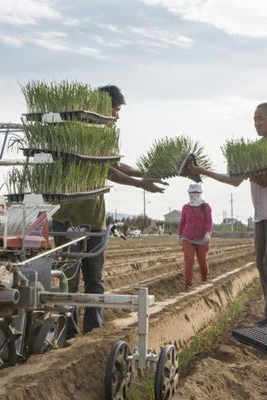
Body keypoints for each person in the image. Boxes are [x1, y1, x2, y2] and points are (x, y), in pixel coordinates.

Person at [53, 85, 167, 338]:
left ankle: (93, 332)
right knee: (69, 280)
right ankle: (67, 335)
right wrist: (141, 184)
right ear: (103, 106)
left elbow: (116, 165)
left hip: (95, 220)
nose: (117, 115)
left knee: (95, 280)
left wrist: (149, 173)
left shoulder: (104, 138)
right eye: (115, 109)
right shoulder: (79, 134)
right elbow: (108, 171)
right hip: (70, 219)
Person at [187, 102, 267, 327]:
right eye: (254, 119)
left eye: (261, 118)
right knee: (260, 262)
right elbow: (234, 180)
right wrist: (201, 171)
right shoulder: (252, 150)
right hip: (260, 213)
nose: (256, 123)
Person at [178, 183, 212, 290]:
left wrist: (208, 233)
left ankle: (205, 281)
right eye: (191, 193)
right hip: (187, 238)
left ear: (200, 193)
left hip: (202, 239)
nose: (193, 195)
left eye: (196, 193)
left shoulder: (206, 207)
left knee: (203, 262)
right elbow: (182, 222)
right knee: (189, 261)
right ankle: (188, 284)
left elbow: (209, 221)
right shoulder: (186, 207)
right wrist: (179, 236)